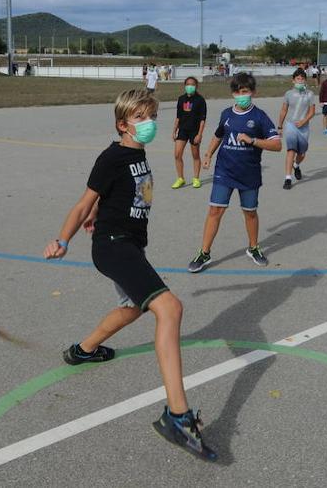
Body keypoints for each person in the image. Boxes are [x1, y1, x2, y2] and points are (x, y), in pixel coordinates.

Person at [43, 89, 217, 461]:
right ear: (123, 124)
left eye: (151, 114)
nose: (148, 122)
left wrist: (101, 211)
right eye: (140, 117)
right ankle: (177, 415)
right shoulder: (112, 156)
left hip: (127, 244)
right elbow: (83, 202)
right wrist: (62, 239)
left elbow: (115, 196)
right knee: (169, 308)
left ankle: (83, 351)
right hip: (112, 245)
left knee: (133, 307)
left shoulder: (135, 154)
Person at [189, 72, 281, 272]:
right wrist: (208, 154)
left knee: (250, 213)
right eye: (238, 92)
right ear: (233, 94)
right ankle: (204, 253)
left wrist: (253, 140)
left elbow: (277, 145)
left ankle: (253, 248)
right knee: (215, 210)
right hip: (224, 172)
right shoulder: (226, 114)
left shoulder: (260, 117)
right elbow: (218, 135)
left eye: (245, 91)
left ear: (253, 92)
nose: (241, 95)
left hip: (249, 174)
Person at [277, 68, 316, 190]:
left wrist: (304, 121)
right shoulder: (288, 94)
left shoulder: (310, 94)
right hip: (291, 126)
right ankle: (288, 178)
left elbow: (312, 112)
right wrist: (280, 126)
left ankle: (296, 165)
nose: (300, 81)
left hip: (304, 127)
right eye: (298, 79)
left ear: (305, 81)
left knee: (302, 153)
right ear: (293, 80)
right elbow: (284, 110)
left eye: (302, 79)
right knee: (291, 151)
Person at [172, 77, 207, 189]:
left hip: (194, 131)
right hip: (183, 130)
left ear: (196, 86)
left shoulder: (200, 100)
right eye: (187, 84)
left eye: (192, 84)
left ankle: (196, 178)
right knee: (177, 154)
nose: (189, 86)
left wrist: (199, 134)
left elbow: (202, 119)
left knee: (195, 155)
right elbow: (178, 117)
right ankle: (180, 178)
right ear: (184, 85)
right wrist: (174, 130)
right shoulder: (181, 99)